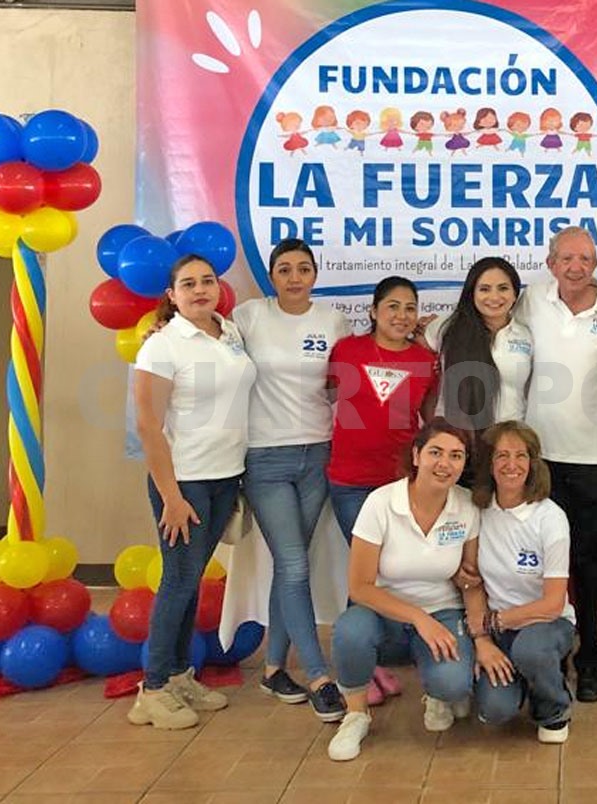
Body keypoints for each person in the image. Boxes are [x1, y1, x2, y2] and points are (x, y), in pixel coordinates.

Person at [129, 254, 255, 730]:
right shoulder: (162, 347)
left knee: (191, 580)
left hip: (226, 476)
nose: (200, 289)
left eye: (207, 281)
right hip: (184, 482)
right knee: (179, 581)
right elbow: (147, 426)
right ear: (171, 294)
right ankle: (154, 687)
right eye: (188, 283)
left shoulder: (230, 333)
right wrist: (172, 497)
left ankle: (179, 674)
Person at [230, 239, 354, 721]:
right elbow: (214, 349)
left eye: (304, 269)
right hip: (265, 457)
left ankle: (273, 667)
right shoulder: (249, 316)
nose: (295, 277)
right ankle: (321, 676)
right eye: (285, 269)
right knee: (295, 564)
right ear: (272, 275)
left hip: (317, 453)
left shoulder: (332, 320)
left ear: (315, 274)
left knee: (291, 566)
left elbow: (339, 379)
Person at [513, 225, 597, 703]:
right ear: (550, 262)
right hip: (538, 457)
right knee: (541, 564)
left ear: (596, 261)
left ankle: (590, 658)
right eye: (567, 259)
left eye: (586, 258)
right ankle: (550, 657)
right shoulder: (530, 300)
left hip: (594, 456)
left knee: (587, 562)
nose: (577, 267)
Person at [327, 419, 480, 761]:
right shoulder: (380, 503)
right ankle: (355, 714)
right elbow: (360, 586)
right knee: (350, 631)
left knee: (454, 685)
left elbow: (469, 577)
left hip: (443, 613)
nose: (445, 463)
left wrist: (475, 623)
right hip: (384, 613)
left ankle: (437, 692)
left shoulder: (467, 506)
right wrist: (417, 618)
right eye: (435, 452)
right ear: (416, 455)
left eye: (456, 456)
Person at [468, 421, 576, 743]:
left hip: (546, 625)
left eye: (520, 456)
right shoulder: (478, 511)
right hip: (498, 631)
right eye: (501, 455)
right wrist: (483, 641)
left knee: (530, 649)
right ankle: (526, 681)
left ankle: (554, 708)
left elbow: (553, 603)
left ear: (533, 464)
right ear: (489, 463)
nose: (511, 465)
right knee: (494, 711)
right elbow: (470, 582)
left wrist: (492, 622)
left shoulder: (550, 517)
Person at [326, 276, 438, 542]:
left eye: (410, 308)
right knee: (365, 567)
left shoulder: (425, 360)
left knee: (398, 564)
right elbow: (326, 394)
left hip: (401, 481)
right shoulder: (346, 350)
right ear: (374, 311)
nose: (402, 315)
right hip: (350, 480)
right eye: (393, 306)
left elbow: (429, 416)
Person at [422, 257, 533, 479]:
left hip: (506, 450)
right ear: (471, 292)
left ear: (515, 294)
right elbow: (416, 345)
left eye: (503, 288)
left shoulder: (526, 335)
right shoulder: (446, 328)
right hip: (455, 447)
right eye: (484, 289)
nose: (494, 297)